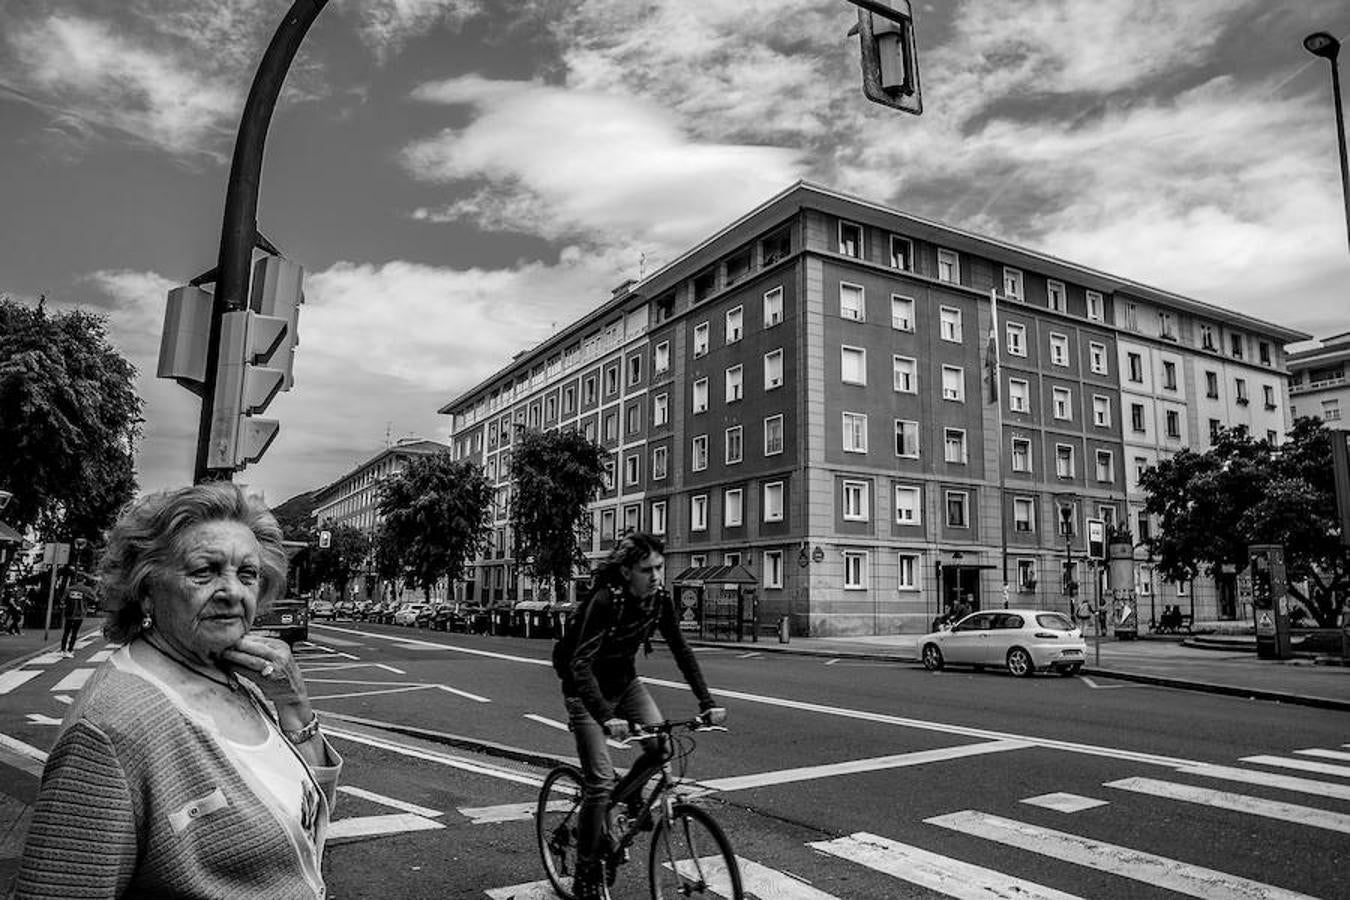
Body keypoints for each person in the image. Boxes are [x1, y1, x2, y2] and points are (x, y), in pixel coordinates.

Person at [16, 483, 342, 899]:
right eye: (204, 571)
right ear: (146, 589)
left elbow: (308, 820)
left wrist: (294, 707)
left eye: (247, 574)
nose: (232, 591)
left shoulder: (235, 677)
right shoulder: (109, 729)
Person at [552, 533, 727, 900]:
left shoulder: (659, 600)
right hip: (585, 693)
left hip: (625, 684)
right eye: (647, 570)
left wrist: (706, 702)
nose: (657, 576)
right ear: (627, 571)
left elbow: (681, 649)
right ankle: (585, 871)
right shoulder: (605, 600)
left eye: (660, 567)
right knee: (598, 782)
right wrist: (605, 716)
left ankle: (626, 798)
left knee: (662, 748)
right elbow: (579, 665)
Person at [58, 572, 90, 658]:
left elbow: (62, 601)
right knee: (74, 633)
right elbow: (95, 598)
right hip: (80, 614)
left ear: (76, 580)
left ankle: (62, 649)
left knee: (66, 632)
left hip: (69, 613)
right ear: (83, 581)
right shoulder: (86, 589)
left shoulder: (69, 589)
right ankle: (70, 650)